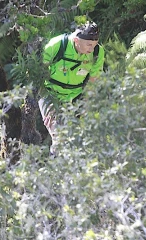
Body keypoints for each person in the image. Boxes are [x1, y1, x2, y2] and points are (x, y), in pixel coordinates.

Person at [38, 21, 105, 155]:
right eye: (89, 45)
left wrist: (86, 104)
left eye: (95, 44)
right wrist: (47, 108)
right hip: (51, 93)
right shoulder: (56, 45)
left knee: (79, 138)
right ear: (76, 40)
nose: (91, 49)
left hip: (75, 97)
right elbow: (37, 73)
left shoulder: (97, 52)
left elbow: (93, 80)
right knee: (58, 136)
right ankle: (55, 169)